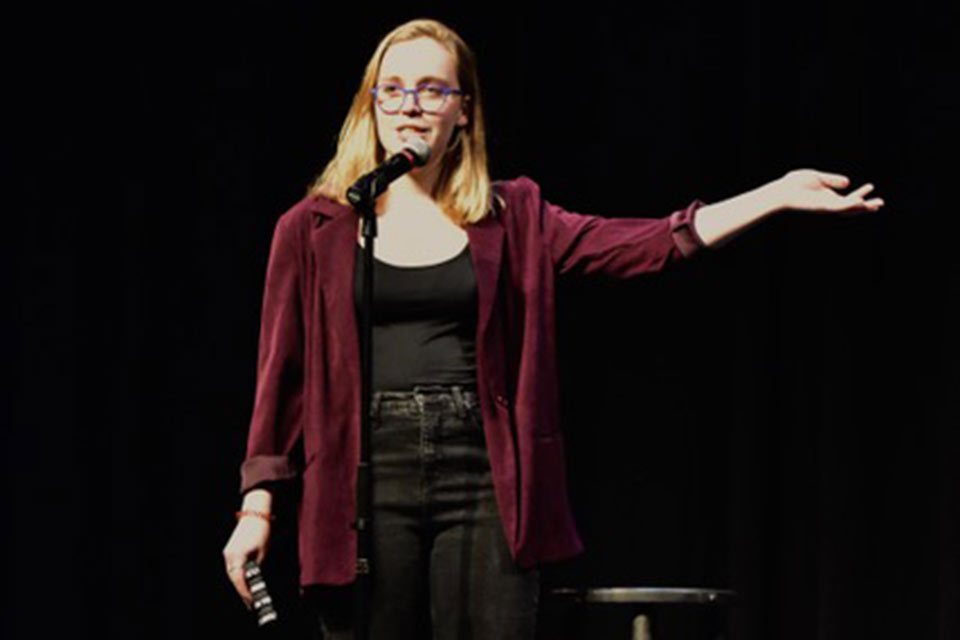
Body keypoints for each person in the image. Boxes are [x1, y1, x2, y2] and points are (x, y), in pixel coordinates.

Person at [222, 17, 885, 640]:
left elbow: (646, 244)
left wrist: (774, 194)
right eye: (392, 90)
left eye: (431, 89)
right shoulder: (315, 228)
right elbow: (281, 379)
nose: (410, 105)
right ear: (370, 106)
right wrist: (258, 510)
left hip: (483, 473)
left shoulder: (514, 216)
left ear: (464, 110)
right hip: (364, 469)